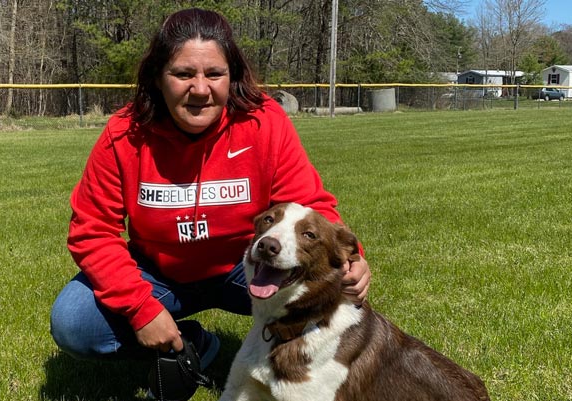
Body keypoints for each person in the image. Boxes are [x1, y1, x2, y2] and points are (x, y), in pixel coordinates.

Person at [50, 7, 370, 374]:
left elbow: (308, 202)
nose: (200, 89)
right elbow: (93, 230)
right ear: (158, 77)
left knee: (338, 297)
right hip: (158, 273)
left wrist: (352, 259)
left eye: (214, 74)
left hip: (247, 263)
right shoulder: (125, 134)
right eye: (183, 74)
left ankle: (293, 383)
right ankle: (193, 344)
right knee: (74, 323)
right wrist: (141, 309)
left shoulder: (263, 121)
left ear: (231, 77)